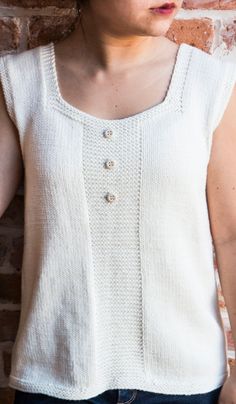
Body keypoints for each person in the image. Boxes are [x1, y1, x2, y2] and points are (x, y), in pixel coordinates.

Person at [0, 0, 236, 403]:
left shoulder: (208, 85)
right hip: (55, 377)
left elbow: (231, 235)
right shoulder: (21, 83)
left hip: (186, 383)